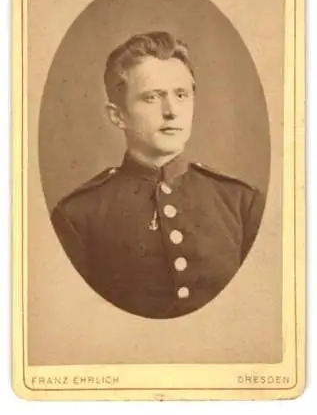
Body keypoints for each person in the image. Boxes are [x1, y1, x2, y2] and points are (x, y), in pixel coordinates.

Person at [51, 31, 265, 319]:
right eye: (152, 98)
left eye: (181, 94)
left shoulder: (241, 202)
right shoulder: (78, 215)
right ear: (118, 116)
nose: (172, 111)